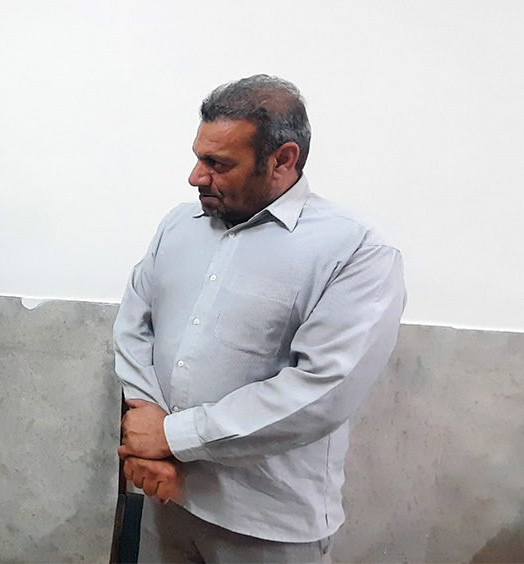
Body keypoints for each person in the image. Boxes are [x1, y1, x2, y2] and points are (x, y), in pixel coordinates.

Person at [114, 74, 407, 563]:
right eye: (198, 157)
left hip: (265, 524)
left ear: (282, 160)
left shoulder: (354, 250)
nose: (195, 177)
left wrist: (172, 437)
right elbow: (133, 329)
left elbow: (322, 390)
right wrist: (149, 440)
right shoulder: (178, 226)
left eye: (218, 164)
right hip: (167, 496)